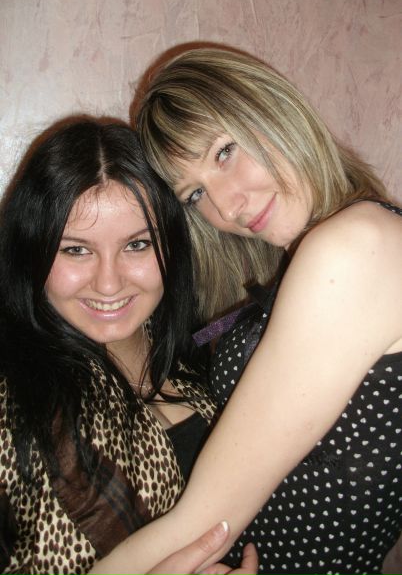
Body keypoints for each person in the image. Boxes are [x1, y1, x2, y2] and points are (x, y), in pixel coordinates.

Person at [90, 47, 402, 575]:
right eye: (195, 194)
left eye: (225, 151)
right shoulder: (333, 246)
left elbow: (205, 520)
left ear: (271, 106)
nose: (227, 207)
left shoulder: (355, 247)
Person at [0, 117, 257, 575]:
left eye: (137, 245)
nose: (108, 282)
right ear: (33, 250)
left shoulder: (204, 359)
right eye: (76, 250)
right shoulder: (13, 403)